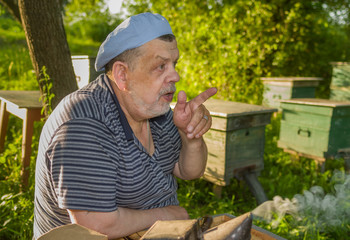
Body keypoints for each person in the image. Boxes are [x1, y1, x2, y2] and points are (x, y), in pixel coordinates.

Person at [33, 12, 217, 239]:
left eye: (174, 64)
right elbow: (97, 226)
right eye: (161, 66)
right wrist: (167, 215)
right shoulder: (83, 123)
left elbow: (189, 171)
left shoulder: (155, 111)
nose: (176, 76)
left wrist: (191, 136)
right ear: (122, 74)